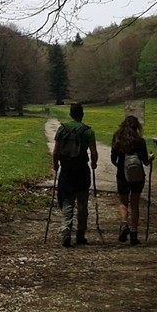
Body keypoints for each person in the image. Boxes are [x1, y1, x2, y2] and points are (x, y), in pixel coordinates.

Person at [52, 102, 98, 247]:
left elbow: (55, 152)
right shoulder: (88, 131)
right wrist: (94, 164)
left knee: (67, 201)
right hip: (82, 171)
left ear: (71, 114)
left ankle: (66, 228)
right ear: (82, 114)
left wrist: (56, 165)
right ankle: (80, 234)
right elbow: (94, 152)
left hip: (66, 170)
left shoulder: (62, 129)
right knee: (82, 202)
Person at [110, 115, 153, 245]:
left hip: (122, 175)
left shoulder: (118, 138)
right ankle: (134, 233)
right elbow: (145, 162)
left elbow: (113, 159)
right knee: (135, 204)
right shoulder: (140, 141)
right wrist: (151, 158)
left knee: (123, 203)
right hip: (137, 176)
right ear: (136, 127)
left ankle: (124, 224)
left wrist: (120, 166)